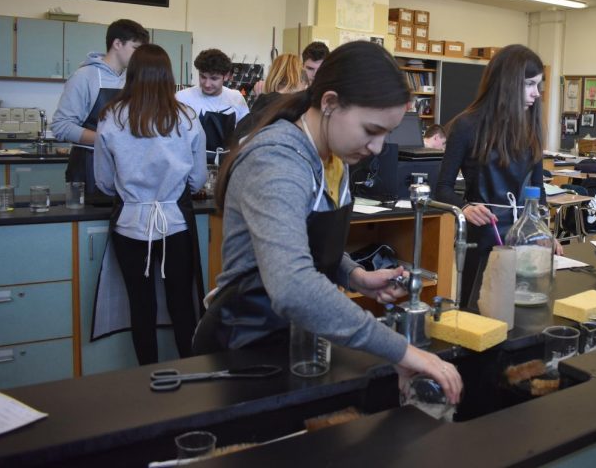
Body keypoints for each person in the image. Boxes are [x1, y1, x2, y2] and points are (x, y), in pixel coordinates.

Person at [192, 41, 462, 403]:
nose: (378, 148)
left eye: (386, 134)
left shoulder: (334, 158)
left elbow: (309, 241)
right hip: (244, 345)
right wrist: (403, 351)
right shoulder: (276, 160)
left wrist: (354, 276)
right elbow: (292, 285)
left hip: (299, 338)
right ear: (330, 103)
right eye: (371, 130)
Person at [93, 44, 207, 365]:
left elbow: (103, 181)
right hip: (175, 224)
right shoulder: (186, 118)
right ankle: (193, 371)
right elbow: (197, 181)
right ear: (167, 76)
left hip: (130, 223)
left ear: (132, 75)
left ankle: (148, 380)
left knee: (140, 308)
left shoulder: (110, 117)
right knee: (182, 305)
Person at [434, 44, 561, 308]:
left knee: (525, 309)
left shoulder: (531, 129)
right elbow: (443, 188)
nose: (536, 94)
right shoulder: (466, 125)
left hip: (523, 237)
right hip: (482, 236)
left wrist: (544, 234)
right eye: (529, 84)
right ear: (507, 83)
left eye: (539, 85)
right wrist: (464, 207)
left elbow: (538, 191)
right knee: (479, 310)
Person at [52, 19, 149, 194]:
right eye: (135, 48)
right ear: (117, 44)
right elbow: (61, 126)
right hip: (89, 166)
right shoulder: (84, 77)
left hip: (125, 165)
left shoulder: (133, 78)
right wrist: (109, 139)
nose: (139, 55)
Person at [176, 48, 249, 163]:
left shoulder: (236, 98)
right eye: (203, 77)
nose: (207, 84)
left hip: (226, 164)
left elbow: (246, 134)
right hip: (192, 163)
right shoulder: (183, 98)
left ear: (226, 76)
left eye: (214, 78)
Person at [234, 53, 302, 142]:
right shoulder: (299, 110)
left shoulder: (267, 103)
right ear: (298, 78)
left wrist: (262, 100)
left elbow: (240, 139)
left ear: (273, 74)